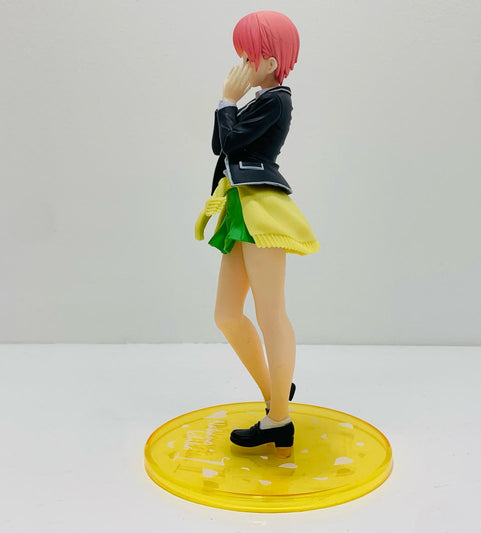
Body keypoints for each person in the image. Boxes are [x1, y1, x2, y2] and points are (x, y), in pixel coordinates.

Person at [195, 10, 319, 457]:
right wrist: (228, 103)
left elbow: (229, 143)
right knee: (227, 314)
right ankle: (276, 392)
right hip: (240, 207)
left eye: (248, 55)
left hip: (262, 210)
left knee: (270, 313)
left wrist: (228, 100)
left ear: (270, 61)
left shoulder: (277, 100)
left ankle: (279, 420)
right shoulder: (256, 100)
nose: (242, 64)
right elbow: (222, 144)